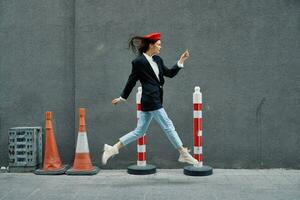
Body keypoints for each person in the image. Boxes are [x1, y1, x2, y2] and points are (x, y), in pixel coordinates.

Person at [102, 32, 198, 165]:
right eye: (158, 45)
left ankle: (112, 149)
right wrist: (122, 97)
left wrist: (181, 61)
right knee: (168, 126)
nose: (160, 47)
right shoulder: (138, 62)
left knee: (139, 131)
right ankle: (183, 153)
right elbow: (132, 80)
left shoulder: (158, 59)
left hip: (153, 100)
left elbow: (169, 73)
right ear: (151, 45)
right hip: (151, 99)